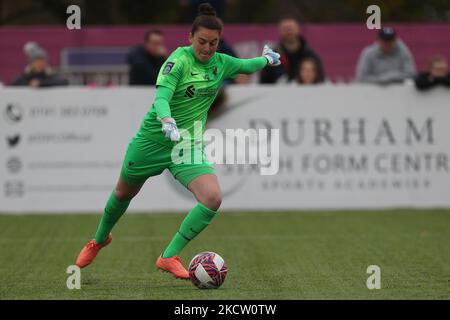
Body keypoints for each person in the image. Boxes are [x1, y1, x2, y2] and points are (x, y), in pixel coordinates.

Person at [75, 3, 281, 280]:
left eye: (213, 43)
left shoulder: (221, 62)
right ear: (190, 38)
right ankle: (99, 239)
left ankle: (169, 256)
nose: (207, 48)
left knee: (212, 198)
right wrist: (166, 120)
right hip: (153, 140)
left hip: (185, 146)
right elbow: (161, 96)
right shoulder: (178, 61)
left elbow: (246, 65)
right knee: (124, 193)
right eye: (202, 42)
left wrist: (266, 60)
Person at [259, 17, 324, 84]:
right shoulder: (271, 57)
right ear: (280, 31)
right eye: (285, 29)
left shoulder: (310, 55)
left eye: (291, 28)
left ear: (298, 29)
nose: (289, 31)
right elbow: (263, 83)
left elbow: (320, 80)